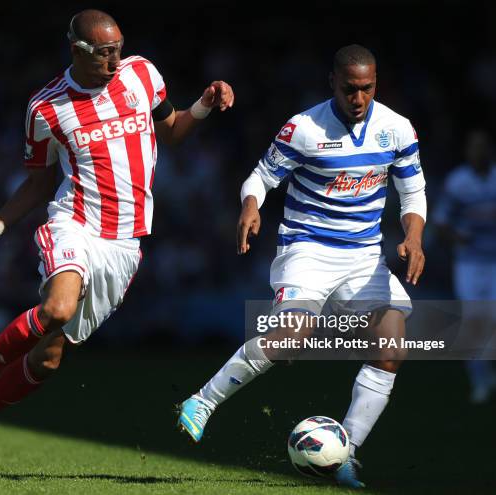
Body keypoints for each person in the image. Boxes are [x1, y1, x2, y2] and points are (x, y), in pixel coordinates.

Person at [0, 9, 234, 479]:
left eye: (118, 48)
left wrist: (204, 105)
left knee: (47, 357)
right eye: (104, 53)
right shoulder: (47, 108)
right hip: (75, 224)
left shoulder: (142, 75)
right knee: (58, 309)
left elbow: (172, 131)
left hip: (125, 244)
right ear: (78, 51)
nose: (114, 60)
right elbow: (38, 185)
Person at [178, 44, 426, 488]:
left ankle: (345, 454)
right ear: (332, 81)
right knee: (291, 338)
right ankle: (202, 401)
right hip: (307, 251)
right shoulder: (304, 129)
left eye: (367, 89)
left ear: (376, 85)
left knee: (391, 346)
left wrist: (413, 237)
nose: (358, 98)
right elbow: (260, 176)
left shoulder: (398, 129)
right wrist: (251, 207)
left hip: (364, 257)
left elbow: (412, 194)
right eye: (350, 89)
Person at [433, 129, 496, 404]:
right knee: (474, 320)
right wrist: (457, 237)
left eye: (483, 146)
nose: (478, 152)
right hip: (469, 263)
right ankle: (480, 381)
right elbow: (440, 221)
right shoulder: (458, 182)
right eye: (474, 147)